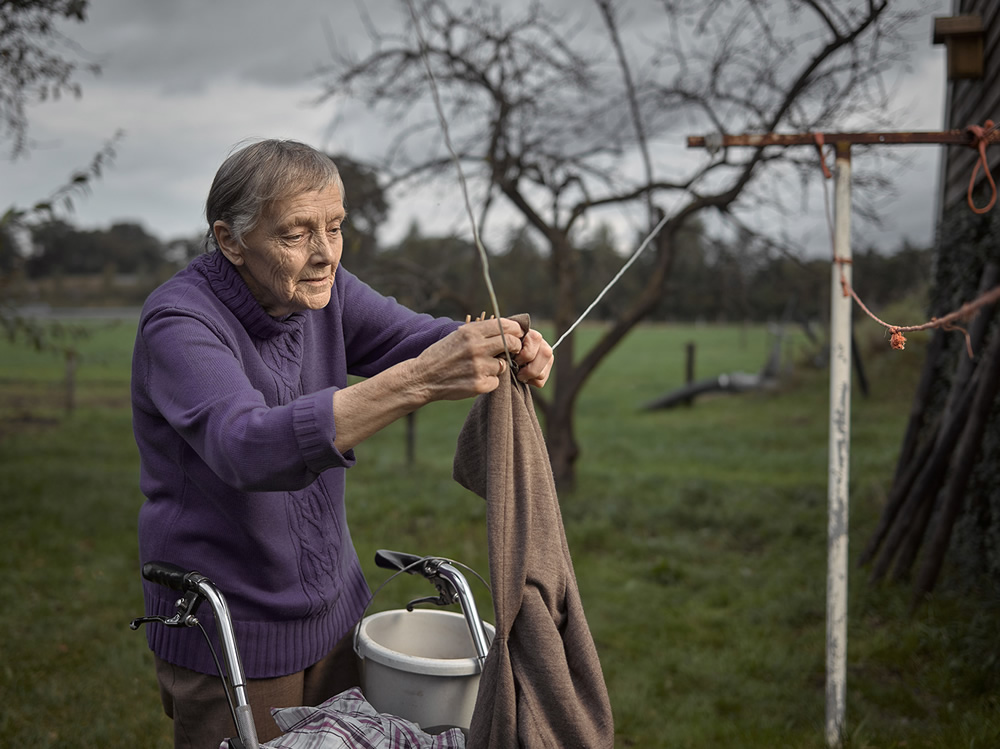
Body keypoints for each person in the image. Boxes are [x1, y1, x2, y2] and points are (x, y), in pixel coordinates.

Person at [131, 138, 553, 748]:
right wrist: (420, 381)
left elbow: (417, 340)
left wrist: (502, 340)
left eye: (335, 227)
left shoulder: (323, 289)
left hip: (336, 613)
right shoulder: (181, 323)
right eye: (296, 234)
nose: (325, 253)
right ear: (230, 241)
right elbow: (245, 444)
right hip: (233, 634)